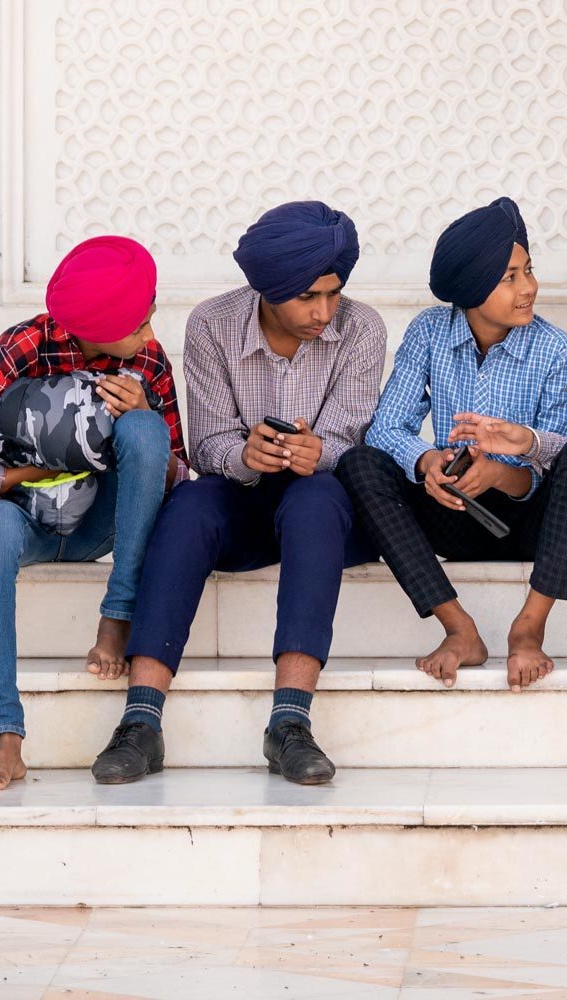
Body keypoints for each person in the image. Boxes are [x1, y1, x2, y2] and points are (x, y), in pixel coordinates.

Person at [91, 201, 384, 789]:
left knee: (317, 498)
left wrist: (316, 451)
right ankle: (141, 720)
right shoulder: (211, 324)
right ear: (267, 290)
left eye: (333, 293)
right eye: (308, 297)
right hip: (242, 499)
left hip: (323, 513)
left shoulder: (363, 328)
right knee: (191, 506)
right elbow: (208, 444)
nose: (325, 312)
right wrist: (243, 454)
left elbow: (349, 439)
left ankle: (290, 723)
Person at [334, 197, 567, 691]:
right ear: (470, 289)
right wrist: (427, 462)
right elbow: (386, 428)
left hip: (533, 524)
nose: (529, 287)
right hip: (454, 515)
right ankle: (459, 628)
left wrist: (502, 470)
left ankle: (529, 628)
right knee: (360, 463)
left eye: (528, 270)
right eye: (510, 277)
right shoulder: (428, 333)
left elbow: (558, 464)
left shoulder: (556, 351)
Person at [0, 235, 184, 791]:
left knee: (145, 429)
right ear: (98, 326)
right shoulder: (17, 352)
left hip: (98, 523)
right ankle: (3, 736)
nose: (150, 333)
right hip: (23, 519)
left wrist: (144, 413)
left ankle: (117, 616)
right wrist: (37, 468)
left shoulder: (146, 360)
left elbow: (175, 471)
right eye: (138, 323)